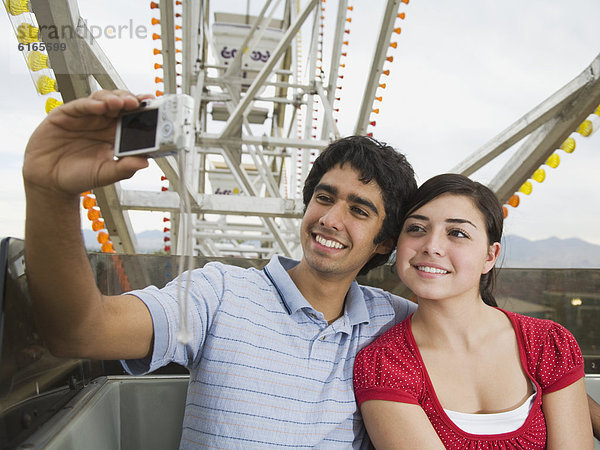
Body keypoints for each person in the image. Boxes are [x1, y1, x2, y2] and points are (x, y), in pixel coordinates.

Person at [22, 90, 418, 448]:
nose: (331, 219)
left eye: (358, 210)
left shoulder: (394, 322)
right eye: (324, 197)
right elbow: (82, 333)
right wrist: (52, 194)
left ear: (385, 241)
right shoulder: (219, 292)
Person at [353, 173, 594, 449]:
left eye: (457, 233)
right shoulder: (384, 364)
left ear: (490, 256)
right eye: (417, 229)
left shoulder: (549, 344)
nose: (431, 246)